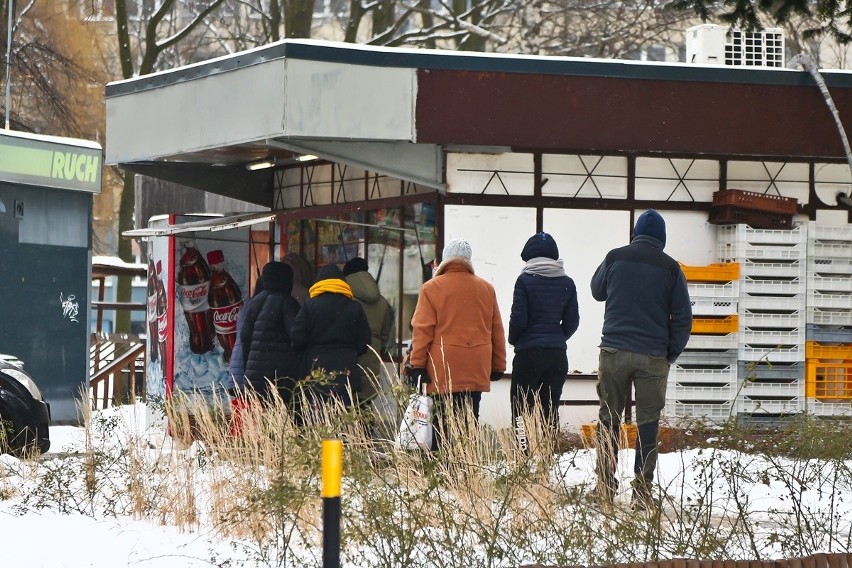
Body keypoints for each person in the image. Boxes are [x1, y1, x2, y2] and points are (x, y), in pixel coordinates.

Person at [590, 209, 692, 508]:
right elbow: (684, 319)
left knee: (609, 420)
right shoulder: (671, 268)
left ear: (635, 233)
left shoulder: (615, 257)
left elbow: (597, 291)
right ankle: (642, 494)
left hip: (614, 352)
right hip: (652, 356)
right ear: (661, 238)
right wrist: (669, 353)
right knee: (648, 425)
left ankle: (605, 487)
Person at [408, 238, 506, 450]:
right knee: (469, 422)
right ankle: (466, 471)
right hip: (475, 368)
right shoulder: (486, 289)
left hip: (443, 368)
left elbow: (422, 330)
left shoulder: (431, 288)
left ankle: (443, 471)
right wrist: (498, 365)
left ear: (445, 260)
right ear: (468, 260)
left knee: (441, 424)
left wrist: (417, 365)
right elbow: (496, 329)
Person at [508, 232, 579, 447]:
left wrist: (514, 340)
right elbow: (572, 321)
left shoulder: (524, 280)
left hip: (528, 354)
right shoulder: (568, 283)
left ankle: (523, 456)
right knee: (549, 409)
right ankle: (547, 456)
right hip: (557, 356)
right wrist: (557, 338)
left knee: (520, 409)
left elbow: (518, 320)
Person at [291, 264, 371, 408]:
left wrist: (309, 351)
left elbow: (297, 337)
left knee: (316, 413)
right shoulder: (354, 307)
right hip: (346, 368)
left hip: (316, 367)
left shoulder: (310, 305)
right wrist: (350, 352)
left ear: (318, 283)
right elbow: (365, 341)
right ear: (342, 284)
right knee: (343, 412)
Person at [239, 262, 302, 402]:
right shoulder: (287, 302)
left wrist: (248, 369)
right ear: (287, 280)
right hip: (280, 376)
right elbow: (297, 336)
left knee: (264, 419)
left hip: (254, 377)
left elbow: (244, 338)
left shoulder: (254, 302)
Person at [343, 257, 394, 409]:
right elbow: (387, 333)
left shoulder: (345, 297)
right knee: (365, 403)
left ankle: (348, 434)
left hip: (349, 352)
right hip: (373, 352)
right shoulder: (382, 301)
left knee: (344, 404)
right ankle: (365, 433)